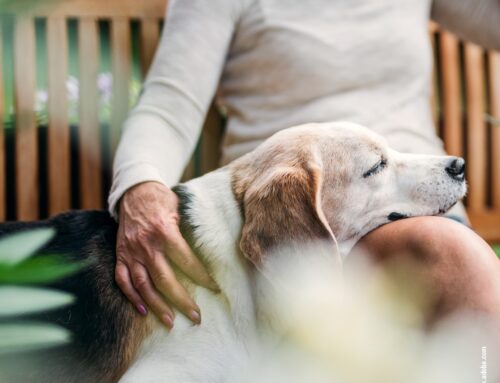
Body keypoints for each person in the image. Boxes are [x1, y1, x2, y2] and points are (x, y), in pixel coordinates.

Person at [109, 0, 500, 329]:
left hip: (423, 196)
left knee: (450, 255)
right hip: (293, 220)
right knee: (452, 254)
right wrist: (140, 188)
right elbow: (168, 107)